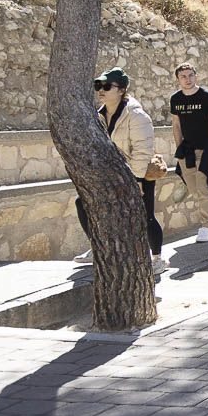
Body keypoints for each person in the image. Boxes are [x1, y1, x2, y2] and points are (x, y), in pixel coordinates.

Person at [74, 68, 166, 275]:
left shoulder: (137, 116)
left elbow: (143, 150)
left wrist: (137, 180)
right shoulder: (99, 115)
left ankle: (158, 258)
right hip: (112, 173)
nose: (101, 90)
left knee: (145, 216)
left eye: (107, 86)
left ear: (122, 90)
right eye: (98, 86)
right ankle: (99, 249)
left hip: (138, 173)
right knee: (83, 203)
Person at [170, 63, 208, 243]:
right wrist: (180, 148)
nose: (188, 79)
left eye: (191, 75)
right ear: (178, 79)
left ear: (196, 75)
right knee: (194, 190)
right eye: (183, 76)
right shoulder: (176, 99)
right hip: (187, 150)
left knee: (202, 185)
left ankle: (206, 225)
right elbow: (176, 125)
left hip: (207, 147)